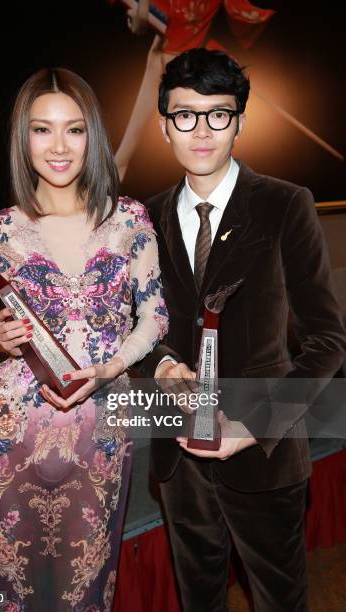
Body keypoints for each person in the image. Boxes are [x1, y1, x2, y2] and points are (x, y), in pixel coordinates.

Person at [138, 49, 346, 611]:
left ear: (240, 123)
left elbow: (328, 341)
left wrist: (253, 425)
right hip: (178, 452)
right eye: (185, 115)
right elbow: (137, 330)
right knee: (198, 597)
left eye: (218, 114)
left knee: (280, 599)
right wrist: (157, 361)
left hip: (265, 454)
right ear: (164, 126)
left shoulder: (286, 205)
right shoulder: (143, 220)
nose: (201, 131)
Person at [0, 67, 168, 611]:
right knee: (10, 584)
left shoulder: (129, 219)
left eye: (74, 129)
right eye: (42, 129)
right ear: (23, 138)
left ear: (93, 137)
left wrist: (110, 369)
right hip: (12, 427)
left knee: (86, 583)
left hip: (100, 423)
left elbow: (154, 319)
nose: (59, 146)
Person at [113, 0, 275, 180]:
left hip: (192, 41)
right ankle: (119, 165)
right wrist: (143, 9)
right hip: (175, 40)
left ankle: (119, 164)